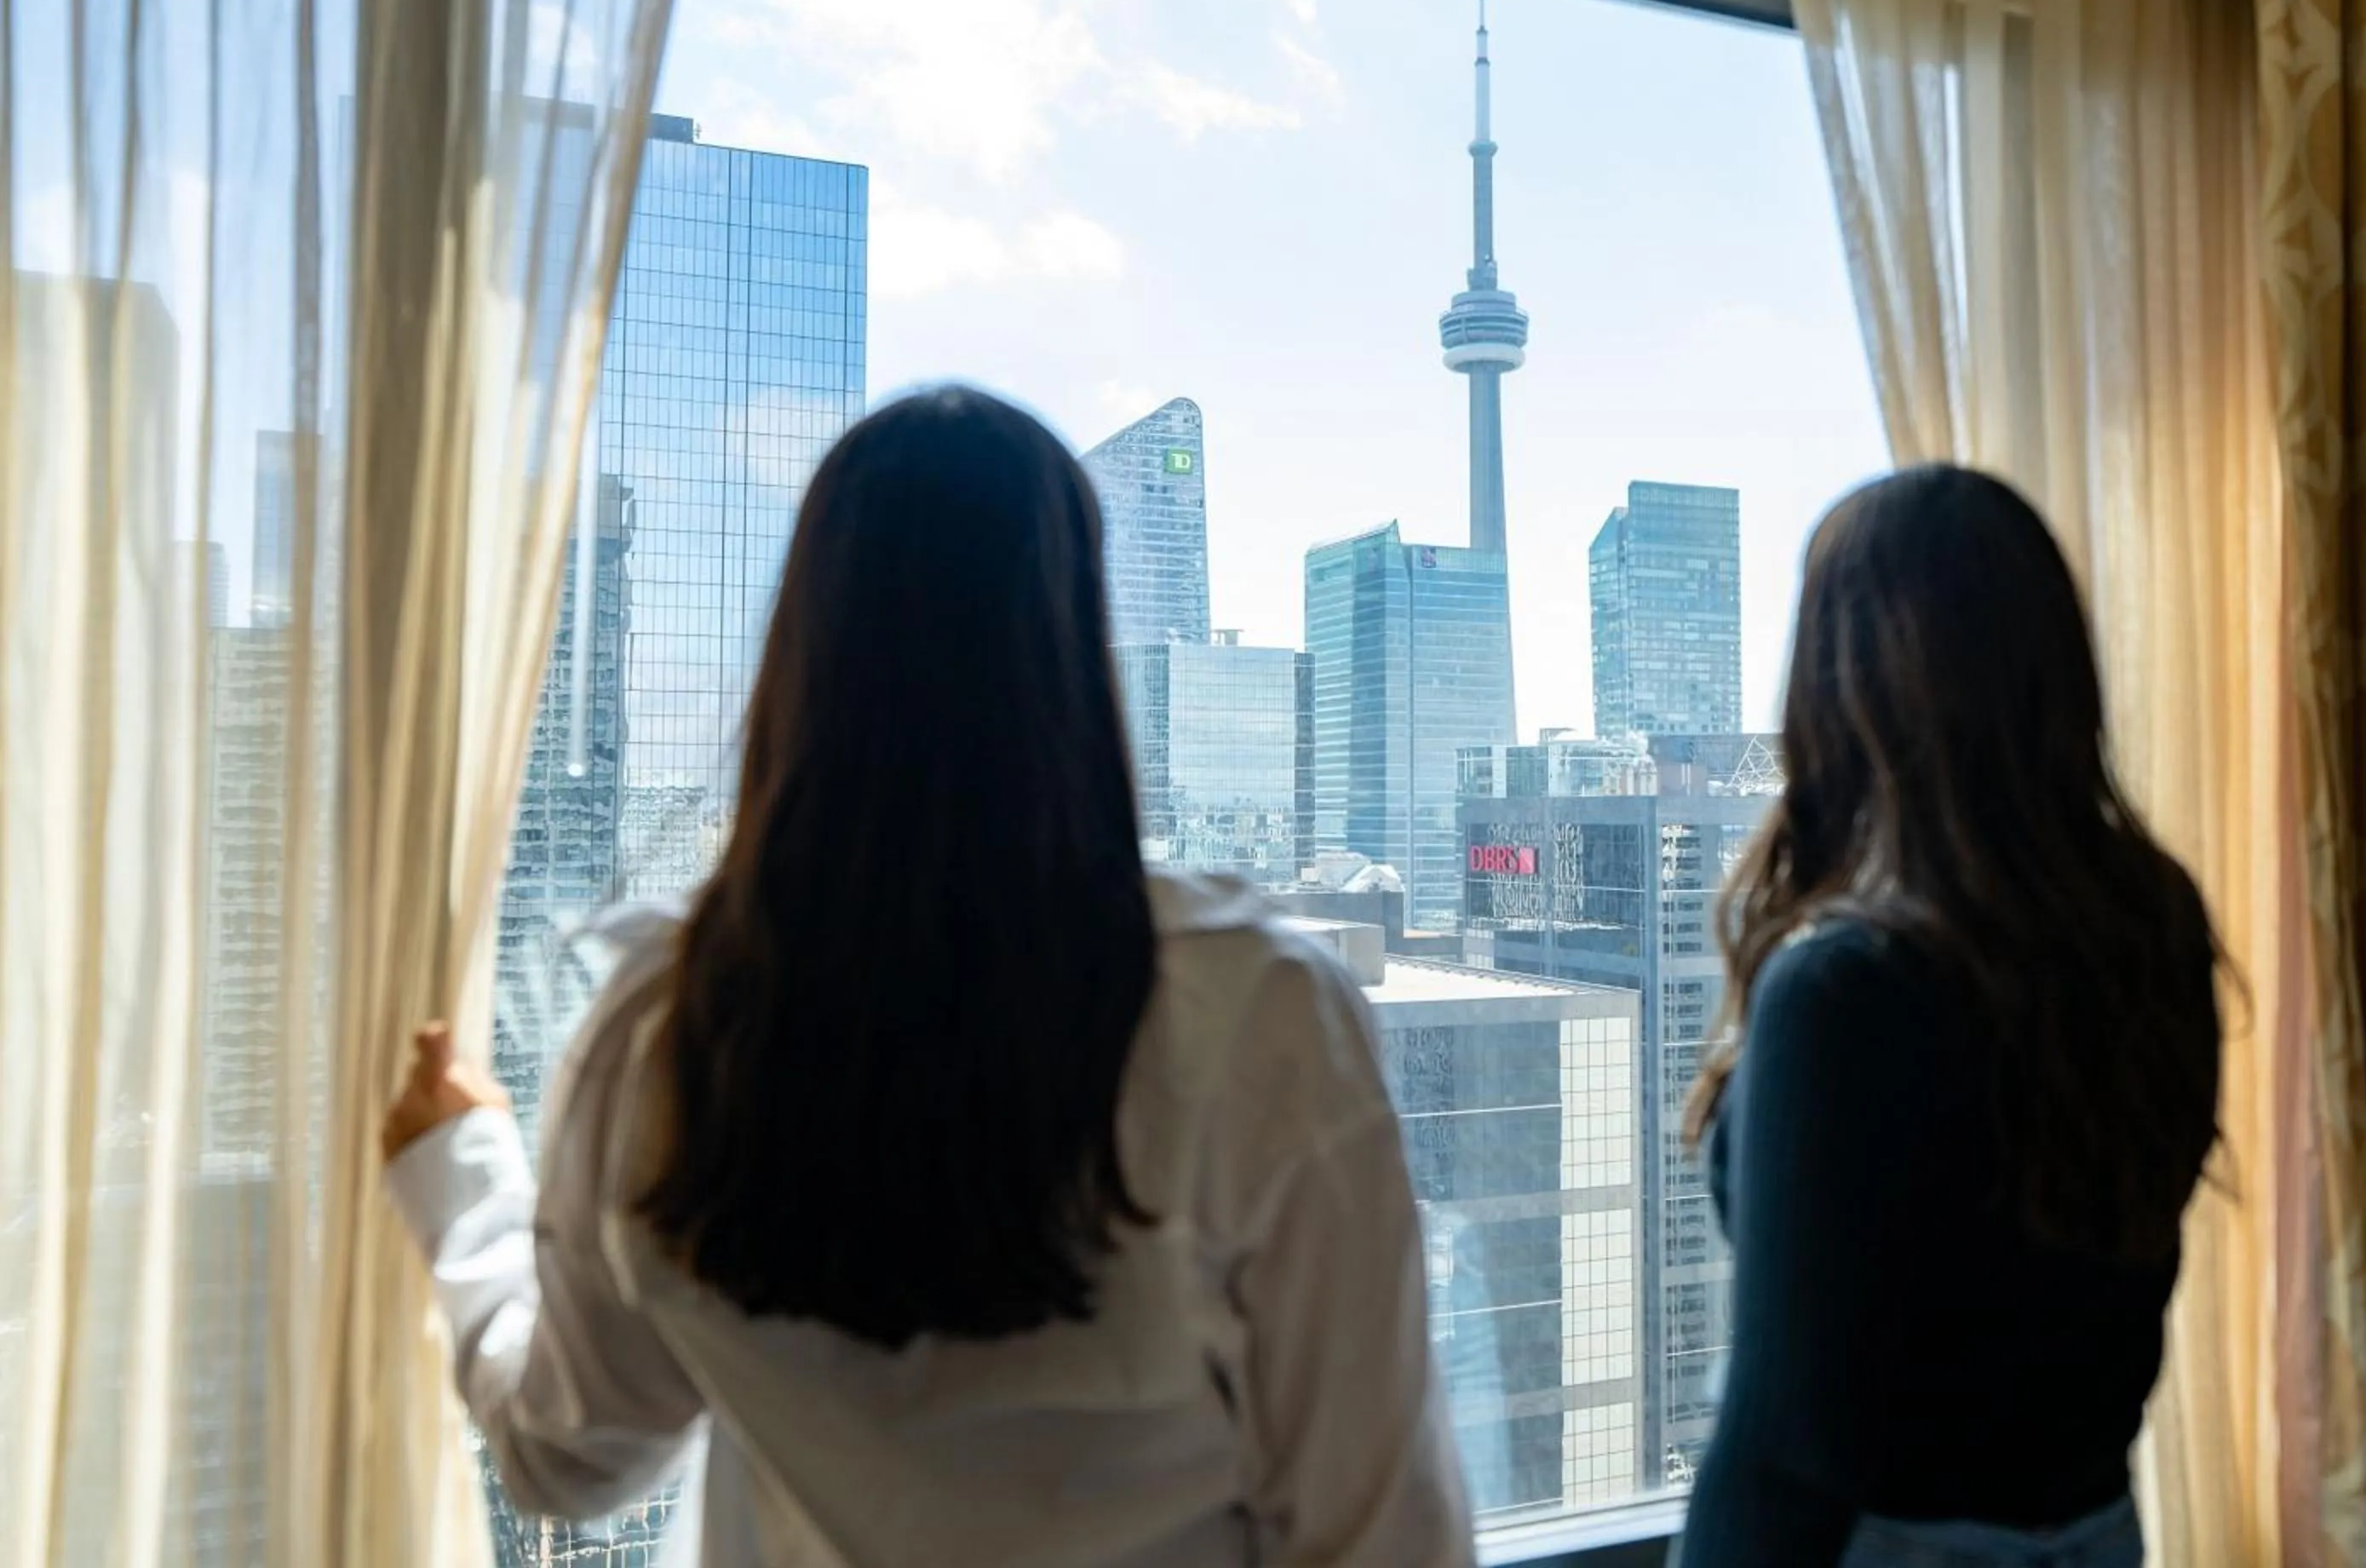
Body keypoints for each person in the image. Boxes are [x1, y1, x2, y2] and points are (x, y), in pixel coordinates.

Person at [380, 387, 1475, 1567]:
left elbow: (568, 1456)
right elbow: (1385, 1540)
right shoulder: (1258, 1016)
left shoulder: (671, 1022)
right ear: (1073, 647)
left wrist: (461, 1176)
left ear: (799, 650)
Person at [1675, 467, 2224, 1568]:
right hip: (2100, 1537)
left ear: (1839, 685)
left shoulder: (1841, 994)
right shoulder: (2150, 923)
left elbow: (1784, 1459)